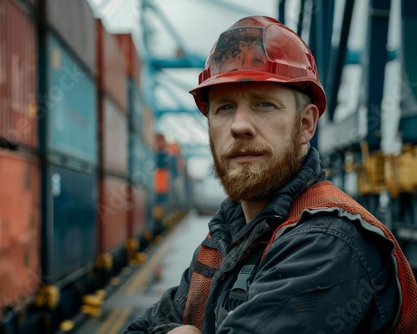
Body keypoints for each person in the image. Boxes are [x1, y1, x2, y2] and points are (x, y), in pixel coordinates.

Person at [125, 16, 417, 334]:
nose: (239, 126)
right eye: (224, 108)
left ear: (306, 124)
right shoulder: (227, 233)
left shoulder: (328, 243)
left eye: (264, 104)